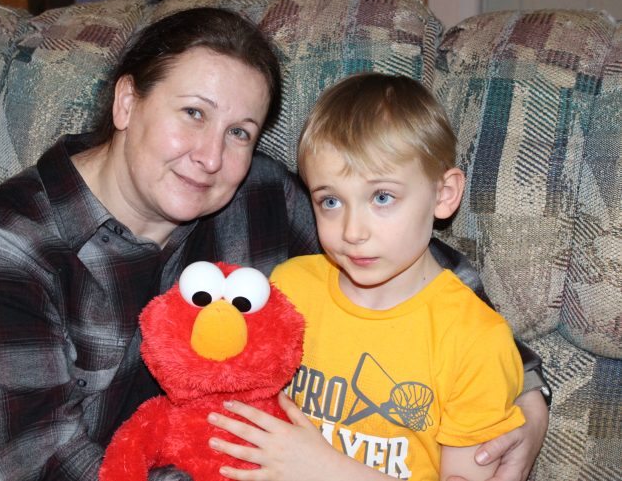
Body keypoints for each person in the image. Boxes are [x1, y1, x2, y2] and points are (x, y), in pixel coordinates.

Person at [0, 9, 546, 481]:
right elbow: (39, 465)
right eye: (193, 114)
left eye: (241, 131)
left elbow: (416, 270)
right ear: (127, 104)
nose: (211, 156)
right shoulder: (6, 239)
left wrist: (529, 389)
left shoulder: (260, 198)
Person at [206, 73, 547, 481]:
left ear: (444, 195)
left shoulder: (477, 341)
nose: (352, 231)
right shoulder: (289, 287)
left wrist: (327, 470)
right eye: (330, 201)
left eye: (381, 197)